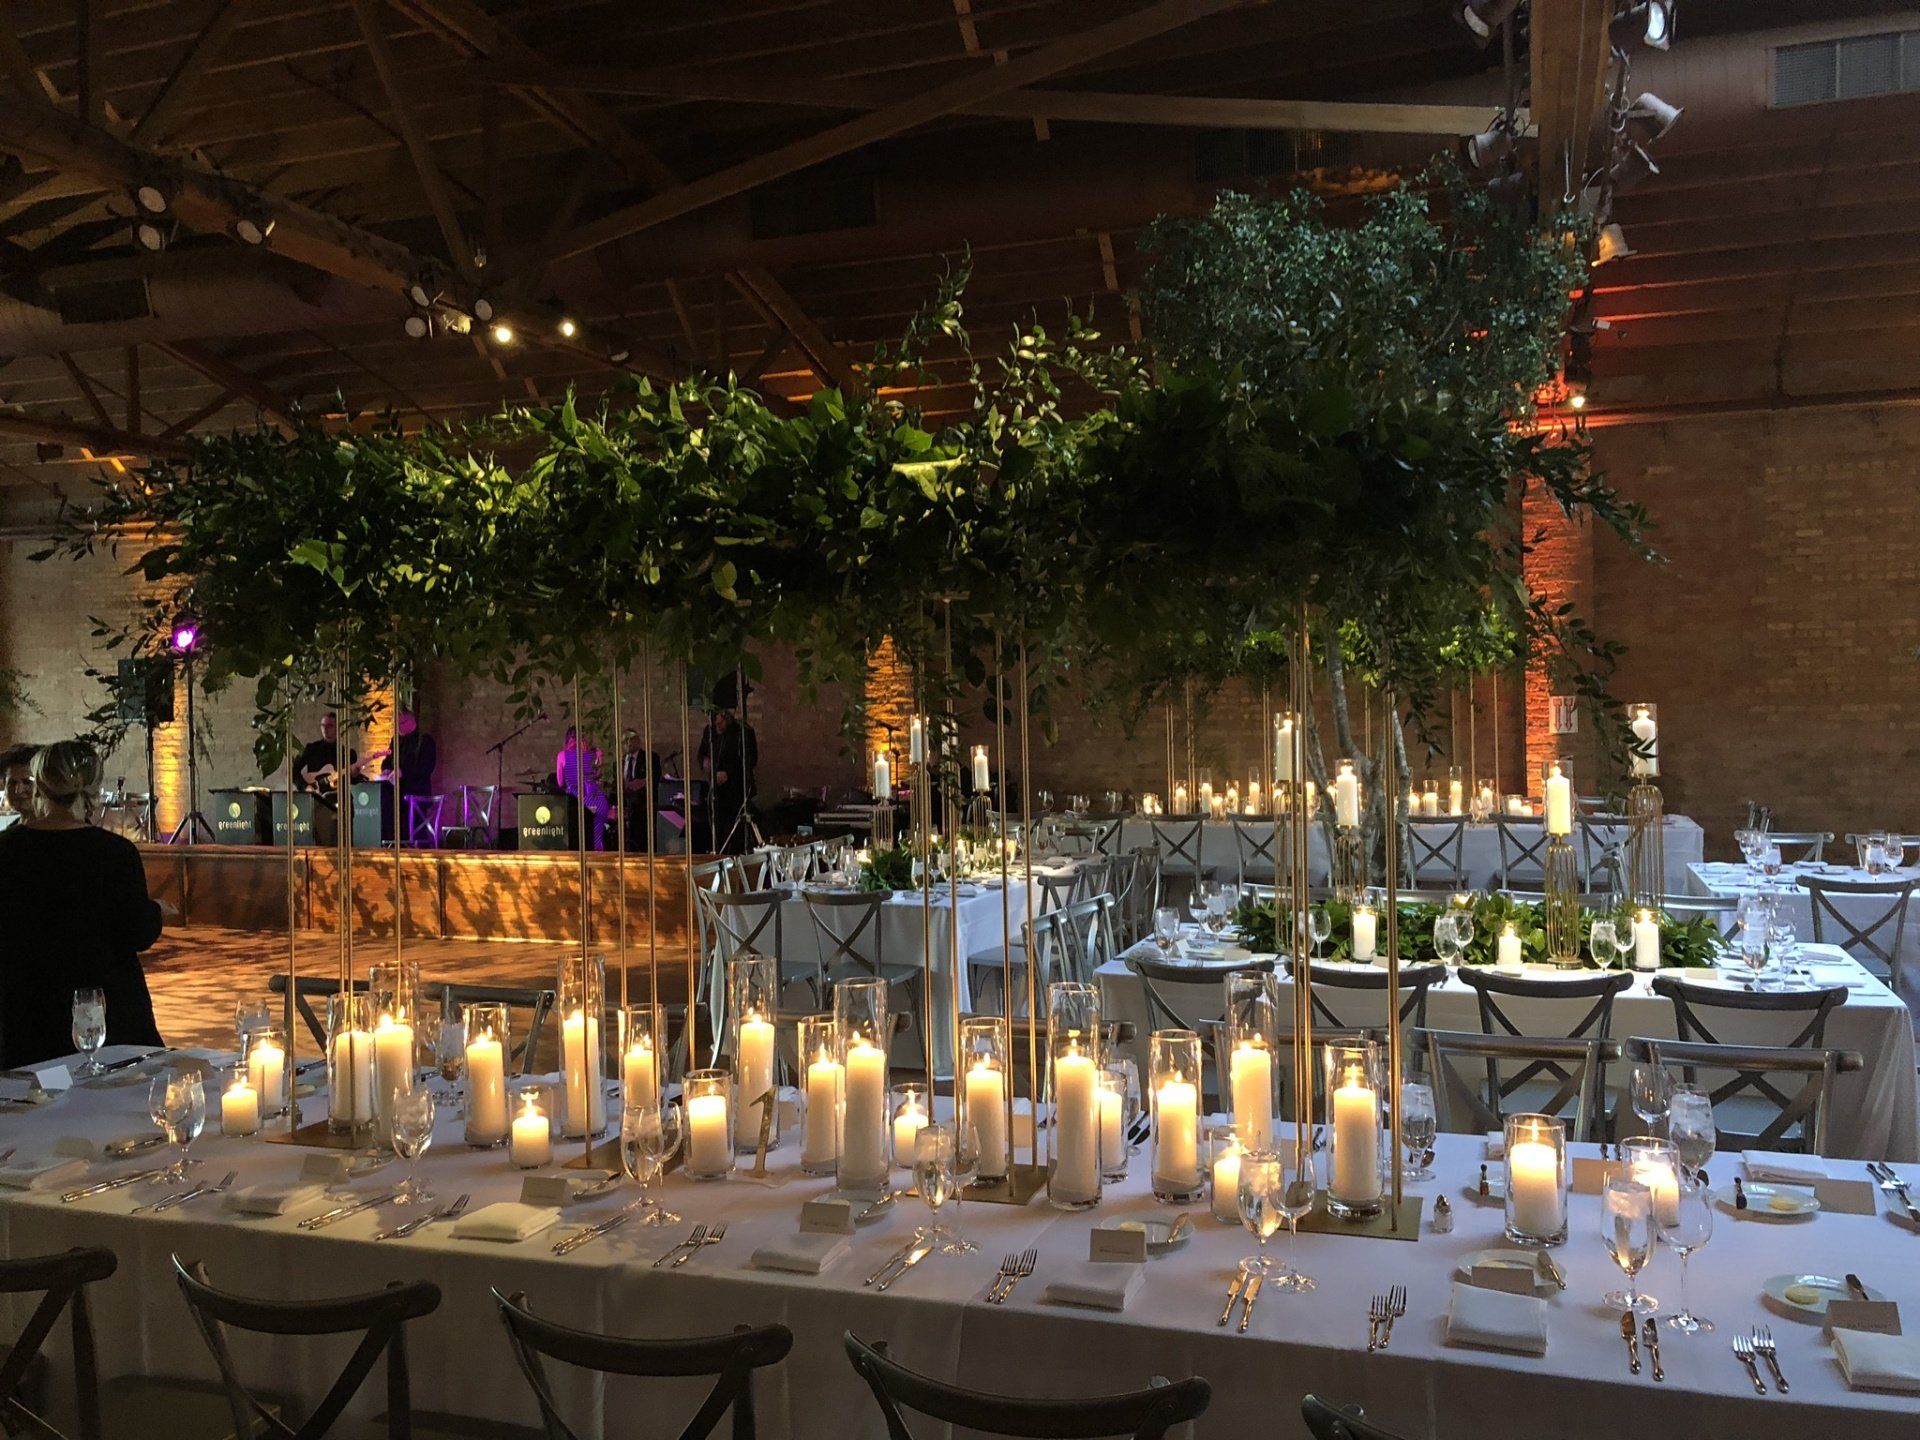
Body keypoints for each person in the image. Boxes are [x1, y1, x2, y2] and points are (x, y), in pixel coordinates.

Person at [0, 739, 163, 1068]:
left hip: (25, 1008)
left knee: (34, 1105)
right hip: (101, 1007)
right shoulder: (114, 853)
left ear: (39, 786)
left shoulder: (6, 850)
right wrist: (156, 911)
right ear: (91, 788)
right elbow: (136, 932)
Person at [697, 682, 758, 854]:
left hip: (736, 790)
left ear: (725, 716)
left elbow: (751, 760)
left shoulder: (743, 732)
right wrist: (705, 762)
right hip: (717, 790)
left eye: (719, 723)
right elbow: (701, 754)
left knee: (736, 832)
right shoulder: (709, 732)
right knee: (717, 828)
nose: (717, 728)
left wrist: (729, 773)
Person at [554, 725, 610, 850]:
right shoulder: (596, 754)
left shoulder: (562, 755)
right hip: (597, 800)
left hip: (576, 801)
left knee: (577, 838)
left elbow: (560, 782)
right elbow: (598, 777)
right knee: (596, 839)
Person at [619, 729, 661, 851]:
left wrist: (643, 782)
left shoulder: (650, 758)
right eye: (625, 741)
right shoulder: (622, 761)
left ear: (638, 741)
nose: (628, 743)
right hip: (627, 804)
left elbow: (655, 778)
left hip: (644, 805)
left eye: (631, 739)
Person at [2, 741, 39, 821]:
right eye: (12, 783)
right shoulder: (11, 831)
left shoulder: (58, 829)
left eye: (27, 782)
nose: (18, 791)